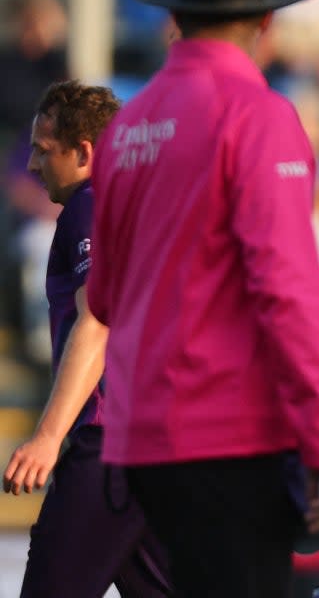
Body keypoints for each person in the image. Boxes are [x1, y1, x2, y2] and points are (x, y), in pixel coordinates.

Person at [87, 0, 319, 598]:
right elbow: (287, 290)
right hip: (233, 440)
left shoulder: (128, 126)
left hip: (144, 443)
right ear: (266, 18)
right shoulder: (261, 117)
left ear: (176, 15)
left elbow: (105, 299)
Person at [3, 80, 173, 598]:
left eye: (43, 150)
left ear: (84, 152)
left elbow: (99, 321)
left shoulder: (91, 205)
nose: (32, 165)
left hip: (110, 446)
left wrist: (49, 437)